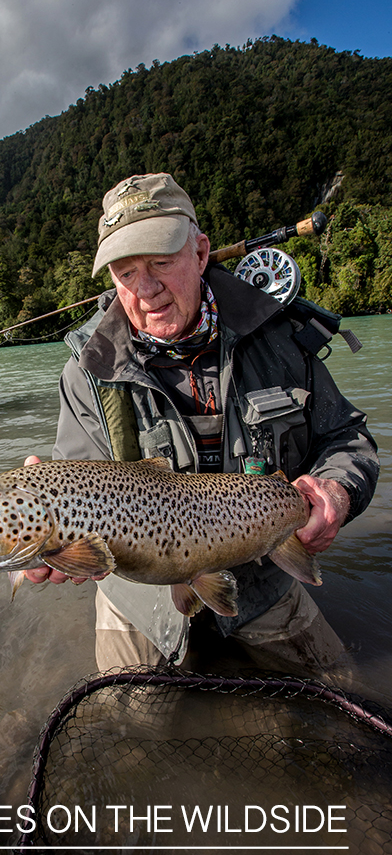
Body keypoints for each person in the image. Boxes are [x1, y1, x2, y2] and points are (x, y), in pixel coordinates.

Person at [24, 172, 379, 675]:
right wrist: (55, 536)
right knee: (128, 728)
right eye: (125, 272)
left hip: (263, 577)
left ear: (201, 251)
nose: (146, 290)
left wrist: (338, 491)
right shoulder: (88, 370)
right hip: (140, 598)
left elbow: (348, 438)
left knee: (341, 692)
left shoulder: (279, 340)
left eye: (161, 262)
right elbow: (79, 487)